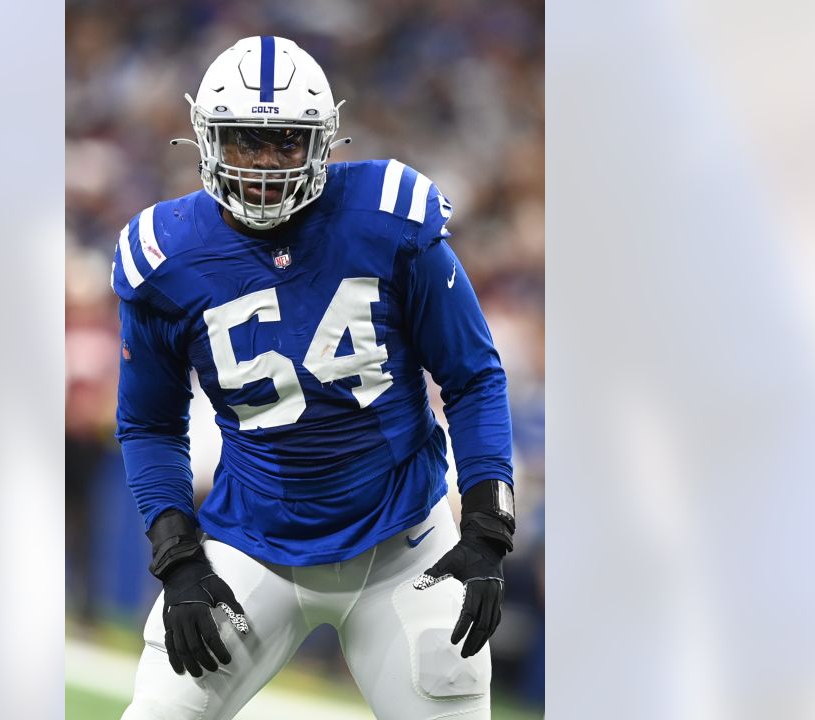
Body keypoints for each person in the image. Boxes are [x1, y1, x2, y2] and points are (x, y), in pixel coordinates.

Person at [114, 36, 516, 720]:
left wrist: (485, 525)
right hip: (252, 546)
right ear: (208, 141)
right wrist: (177, 556)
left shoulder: (389, 219)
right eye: (246, 141)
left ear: (324, 141)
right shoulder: (166, 256)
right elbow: (150, 423)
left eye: (287, 142)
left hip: (404, 545)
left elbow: (474, 376)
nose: (267, 164)